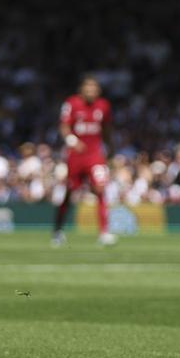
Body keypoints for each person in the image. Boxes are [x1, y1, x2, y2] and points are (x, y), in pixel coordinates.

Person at [54, 75, 115, 246]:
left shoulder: (103, 106)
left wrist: (110, 147)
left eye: (94, 88)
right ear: (81, 89)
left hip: (95, 155)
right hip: (75, 155)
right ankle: (58, 230)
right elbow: (64, 126)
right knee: (69, 193)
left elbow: (107, 128)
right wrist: (72, 141)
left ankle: (104, 232)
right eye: (88, 88)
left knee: (100, 188)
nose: (91, 91)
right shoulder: (71, 103)